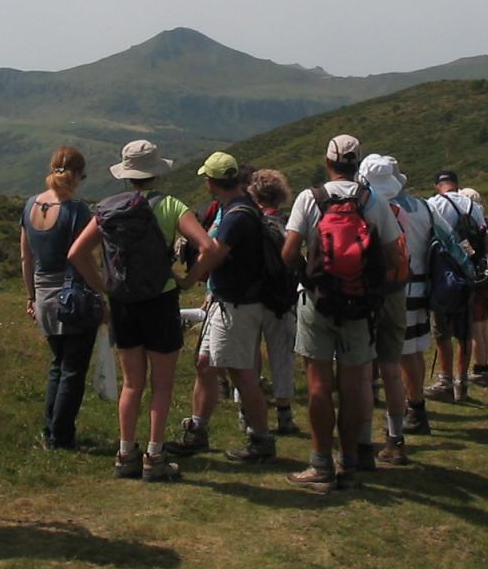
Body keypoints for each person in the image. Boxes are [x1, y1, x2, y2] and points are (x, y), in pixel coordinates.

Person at [68, 140, 214, 482]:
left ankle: (125, 454)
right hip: (160, 302)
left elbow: (76, 253)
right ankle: (155, 456)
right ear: (156, 171)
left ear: (126, 175)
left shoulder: (106, 209)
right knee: (161, 385)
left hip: (123, 302)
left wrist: (102, 285)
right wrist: (188, 279)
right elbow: (208, 246)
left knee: (132, 383)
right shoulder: (172, 206)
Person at [281, 134, 405, 492]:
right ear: (357, 163)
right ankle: (349, 463)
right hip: (359, 307)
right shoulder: (373, 200)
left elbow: (288, 254)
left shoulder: (311, 198)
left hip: (317, 303)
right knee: (354, 386)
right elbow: (394, 257)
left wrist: (311, 275)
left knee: (319, 386)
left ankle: (320, 464)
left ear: (328, 162)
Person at [166, 152, 277, 464]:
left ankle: (261, 439)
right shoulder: (243, 207)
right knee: (206, 364)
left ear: (212, 182)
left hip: (236, 304)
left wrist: (188, 280)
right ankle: (198, 430)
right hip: (232, 302)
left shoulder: (236, 215)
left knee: (241, 373)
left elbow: (214, 252)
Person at [21, 146, 94, 450]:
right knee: (73, 369)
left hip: (43, 293)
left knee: (58, 365)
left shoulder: (30, 205)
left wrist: (31, 297)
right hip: (73, 295)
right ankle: (62, 437)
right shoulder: (77, 210)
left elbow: (25, 257)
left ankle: (50, 430)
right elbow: (84, 258)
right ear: (77, 175)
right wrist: (101, 289)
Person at [356, 154, 421, 466]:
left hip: (362, 297)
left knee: (363, 372)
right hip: (395, 295)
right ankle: (395, 440)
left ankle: (363, 441)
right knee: (392, 369)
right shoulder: (399, 211)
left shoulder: (360, 209)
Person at [425, 171, 486, 401]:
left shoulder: (434, 204)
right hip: (468, 274)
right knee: (464, 332)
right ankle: (462, 384)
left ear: (437, 185)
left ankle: (445, 380)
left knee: (442, 331)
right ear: (457, 185)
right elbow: (484, 237)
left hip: (442, 274)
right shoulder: (473, 206)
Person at [246, 168, 299, 435]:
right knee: (282, 357)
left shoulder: (250, 223)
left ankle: (248, 415)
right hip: (283, 300)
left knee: (249, 358)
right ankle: (284, 415)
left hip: (253, 299)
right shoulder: (289, 225)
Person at [459, 186, 488, 388]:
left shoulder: (470, 223)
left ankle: (479, 370)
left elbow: (469, 251)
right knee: (483, 327)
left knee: (475, 328)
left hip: (479, 279)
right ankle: (484, 366)